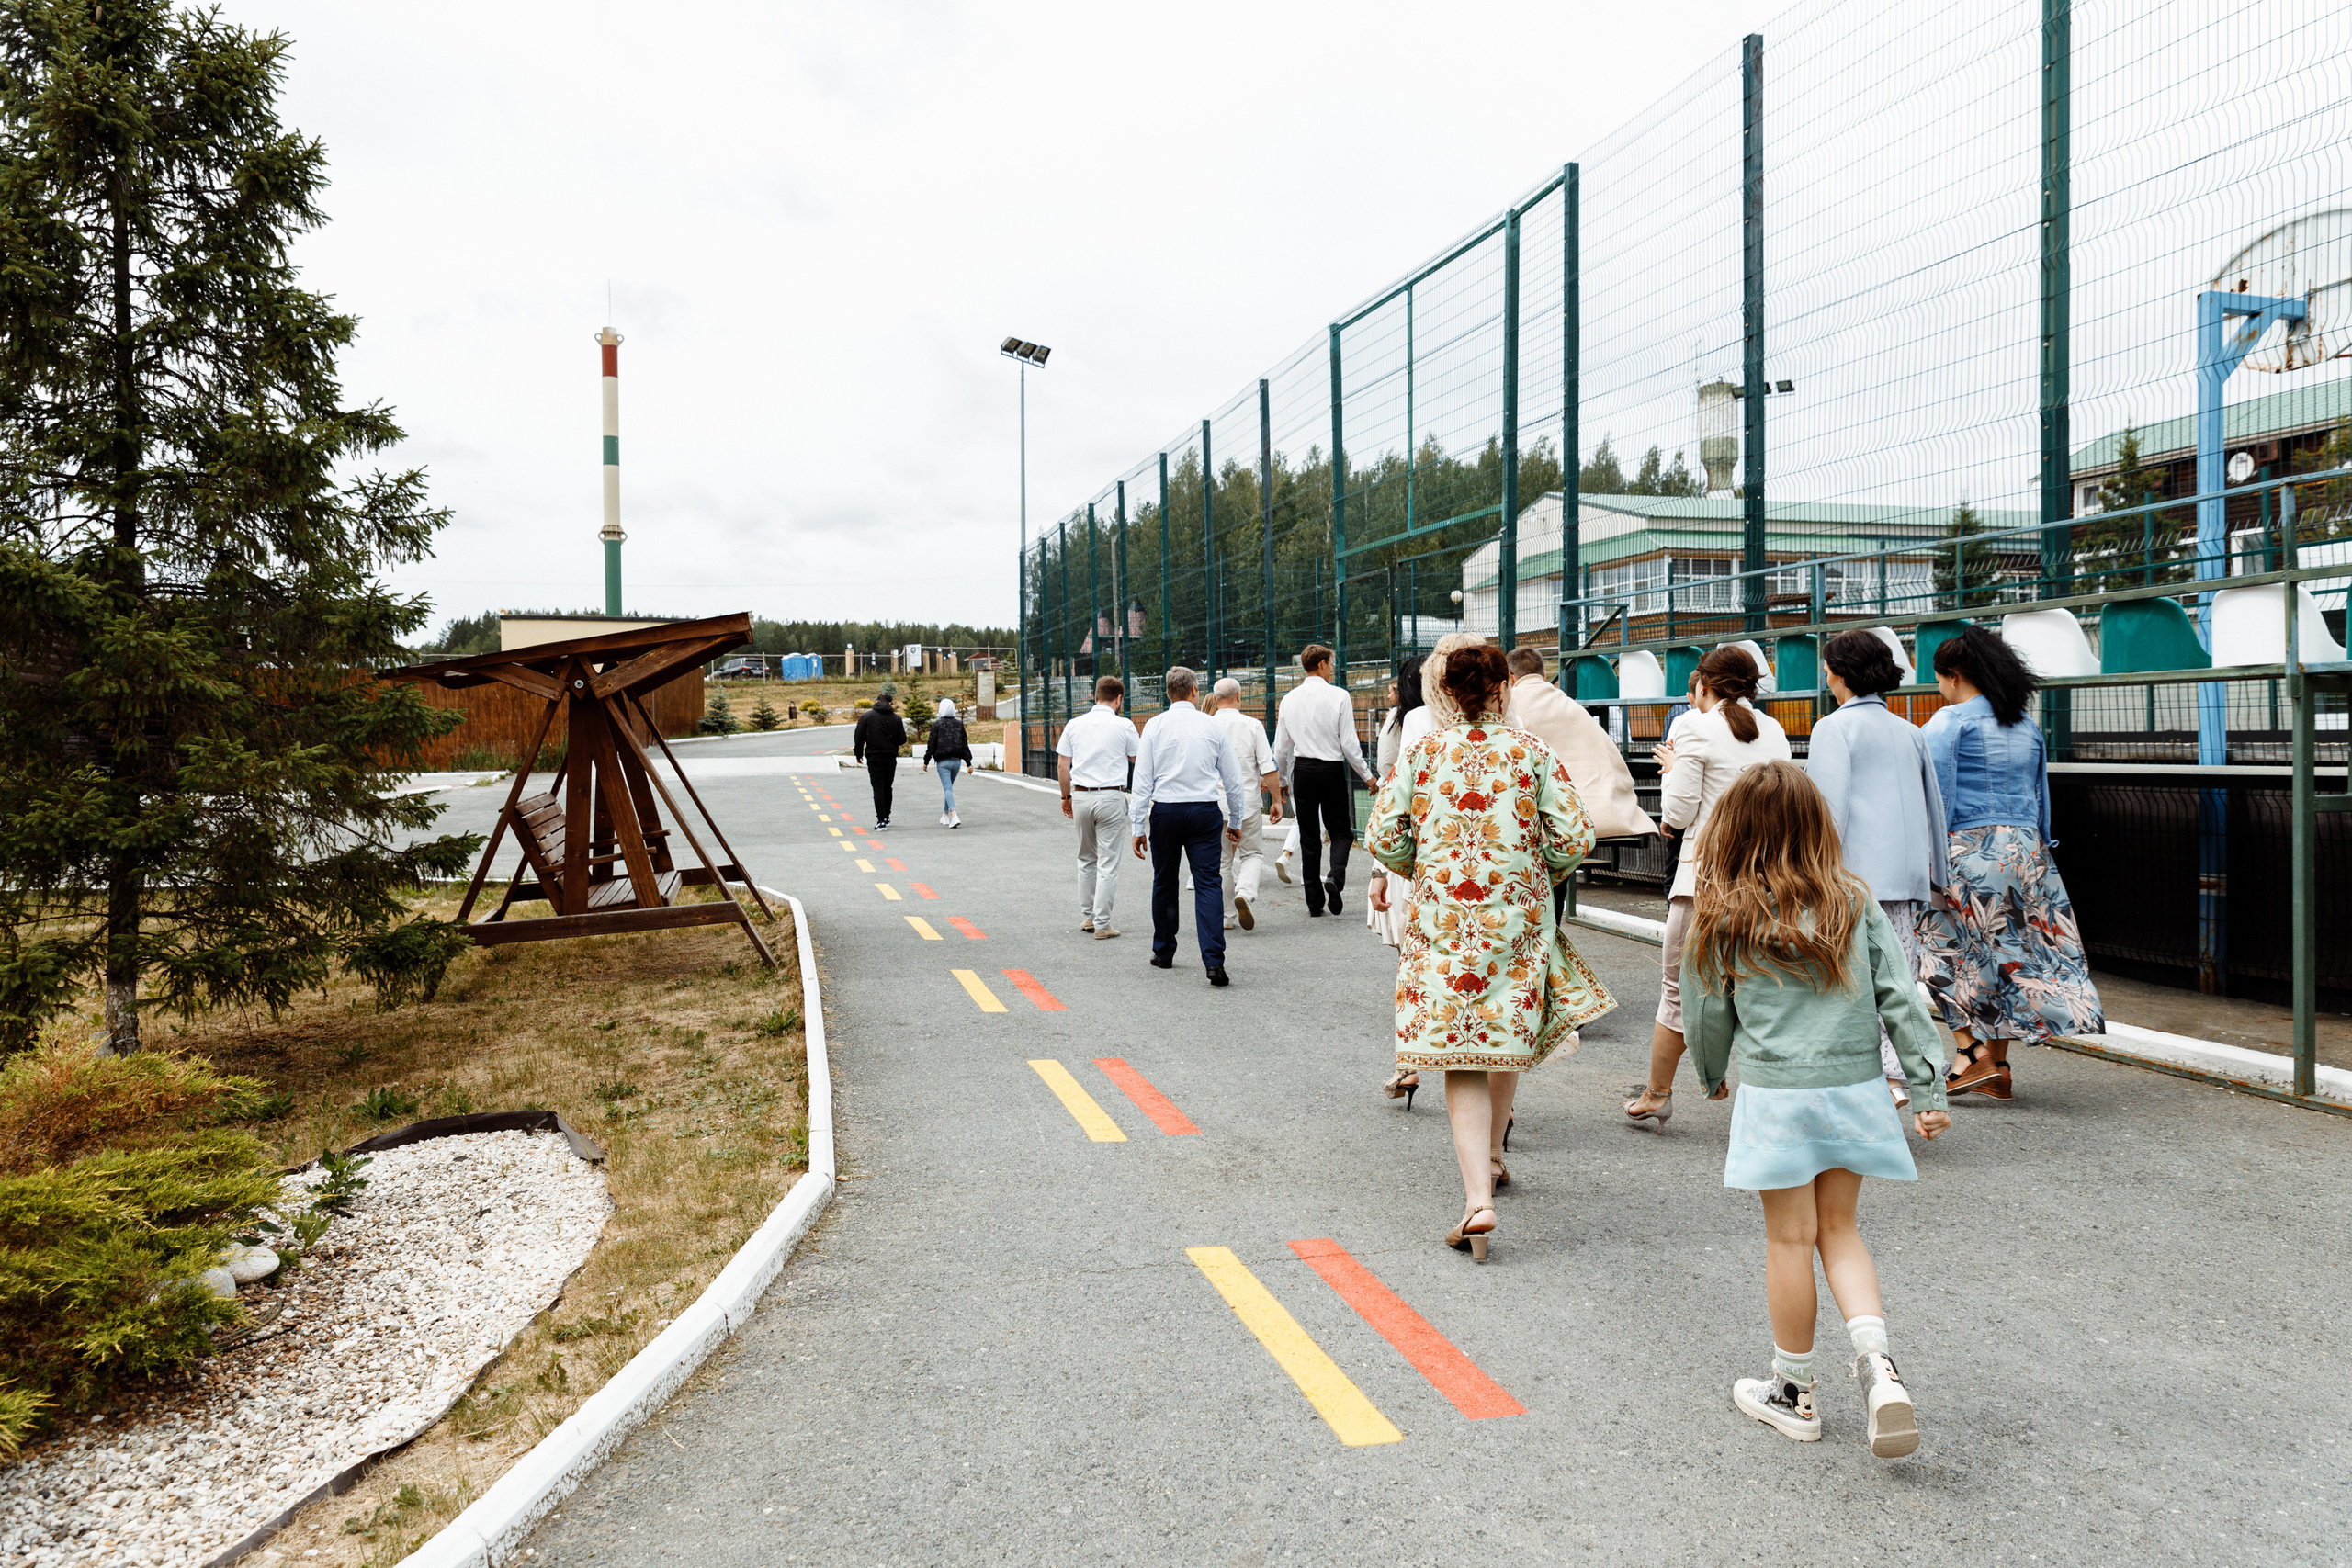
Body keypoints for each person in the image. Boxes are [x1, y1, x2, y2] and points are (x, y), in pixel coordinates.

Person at [1683, 761, 1950, 1457]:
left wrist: (1712, 1074)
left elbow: (1705, 1009)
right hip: (1855, 1089)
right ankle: (1880, 1370)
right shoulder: (1851, 901)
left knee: (1789, 1240)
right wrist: (1926, 1088)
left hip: (1775, 1096)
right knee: (1841, 1229)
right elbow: (1900, 997)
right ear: (1817, 828)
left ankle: (1793, 1391)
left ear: (1734, 832)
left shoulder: (1725, 913)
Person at [1364, 643, 1614, 1262]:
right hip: (1517, 919)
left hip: (1444, 921)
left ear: (1446, 692)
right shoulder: (1532, 752)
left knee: (1462, 1055)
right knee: (1504, 1035)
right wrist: (1536, 872)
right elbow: (1575, 836)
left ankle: (1478, 1198)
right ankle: (1498, 1154)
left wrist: (1428, 870)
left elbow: (1383, 836)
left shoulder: (1422, 753)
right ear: (1504, 688)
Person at [1917, 626, 2104, 1098]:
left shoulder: (1949, 723)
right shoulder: (2024, 725)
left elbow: (1935, 800)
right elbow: (2041, 798)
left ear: (1954, 676)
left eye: (1939, 679)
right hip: (2028, 851)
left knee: (1936, 948)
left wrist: (1931, 861)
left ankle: (1969, 1052)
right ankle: (1997, 1068)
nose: (1939, 688)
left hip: (1972, 849)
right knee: (2008, 953)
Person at [1625, 645, 1792, 1128]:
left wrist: (1672, 770)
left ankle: (1658, 1093)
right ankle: (1771, 1095)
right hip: (1766, 880)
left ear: (1705, 684)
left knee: (1678, 989)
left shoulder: (1691, 727)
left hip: (1705, 879)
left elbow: (1677, 813)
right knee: (1764, 987)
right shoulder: (1774, 730)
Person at [1807, 630, 1950, 1107]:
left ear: (1841, 673)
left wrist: (1812, 876)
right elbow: (1934, 809)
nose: (1827, 678)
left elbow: (1828, 812)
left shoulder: (1833, 728)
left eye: (1828, 670)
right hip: (1904, 881)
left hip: (1849, 881)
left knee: (1848, 981)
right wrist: (1939, 876)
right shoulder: (1910, 730)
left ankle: (1870, 1082)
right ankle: (1900, 1076)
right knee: (1897, 981)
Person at [1501, 646, 1657, 926]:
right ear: (1543, 674)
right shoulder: (1570, 705)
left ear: (1510, 677)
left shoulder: (1509, 706)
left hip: (1525, 824)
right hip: (1565, 825)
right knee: (1555, 896)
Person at [1129, 666, 1248, 985]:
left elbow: (1142, 781)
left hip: (1166, 810)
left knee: (1165, 881)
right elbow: (1233, 780)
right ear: (1195, 691)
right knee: (1208, 883)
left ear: (1168, 693)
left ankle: (1164, 951)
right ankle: (1214, 961)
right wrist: (1236, 820)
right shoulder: (1212, 726)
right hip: (1204, 811)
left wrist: (1137, 827)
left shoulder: (1154, 726)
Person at [1272, 643, 1374, 918]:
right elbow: (1349, 745)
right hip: (1331, 770)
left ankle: (1314, 902)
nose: (1332, 668)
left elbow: (1280, 748)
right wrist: (1367, 776)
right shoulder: (1340, 696)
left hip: (1303, 770)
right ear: (1321, 664)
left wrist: (1281, 780)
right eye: (1330, 663)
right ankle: (1335, 877)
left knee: (1309, 837)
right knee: (1340, 831)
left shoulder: (1288, 699)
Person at [1057, 676, 1140, 940]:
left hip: (1081, 796)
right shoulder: (1124, 725)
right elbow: (1138, 759)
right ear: (1118, 699)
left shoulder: (1074, 725)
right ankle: (1103, 923)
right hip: (1111, 797)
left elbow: (1063, 765)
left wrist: (1066, 797)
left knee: (1085, 858)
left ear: (1095, 696)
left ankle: (1089, 917)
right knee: (1108, 862)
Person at [1207, 678, 1284, 931]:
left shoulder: (1207, 725)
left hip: (1214, 803)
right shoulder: (1253, 725)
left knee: (1222, 861)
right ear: (1239, 696)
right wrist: (1276, 800)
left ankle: (1226, 916)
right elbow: (1267, 766)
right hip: (1247, 802)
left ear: (1215, 699)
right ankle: (1245, 892)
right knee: (1252, 854)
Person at [851, 691, 907, 830]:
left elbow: (859, 737)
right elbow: (902, 740)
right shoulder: (896, 719)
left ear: (876, 701)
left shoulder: (866, 717)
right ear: (890, 703)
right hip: (890, 756)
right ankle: (887, 815)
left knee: (878, 787)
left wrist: (858, 754)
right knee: (888, 786)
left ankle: (880, 820)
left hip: (874, 757)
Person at [922, 695, 975, 829]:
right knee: (949, 788)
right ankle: (945, 815)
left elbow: (931, 744)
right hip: (956, 762)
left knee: (947, 789)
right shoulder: (959, 724)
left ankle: (954, 815)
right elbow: (964, 744)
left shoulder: (937, 724)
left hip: (943, 762)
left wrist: (926, 761)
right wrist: (969, 763)